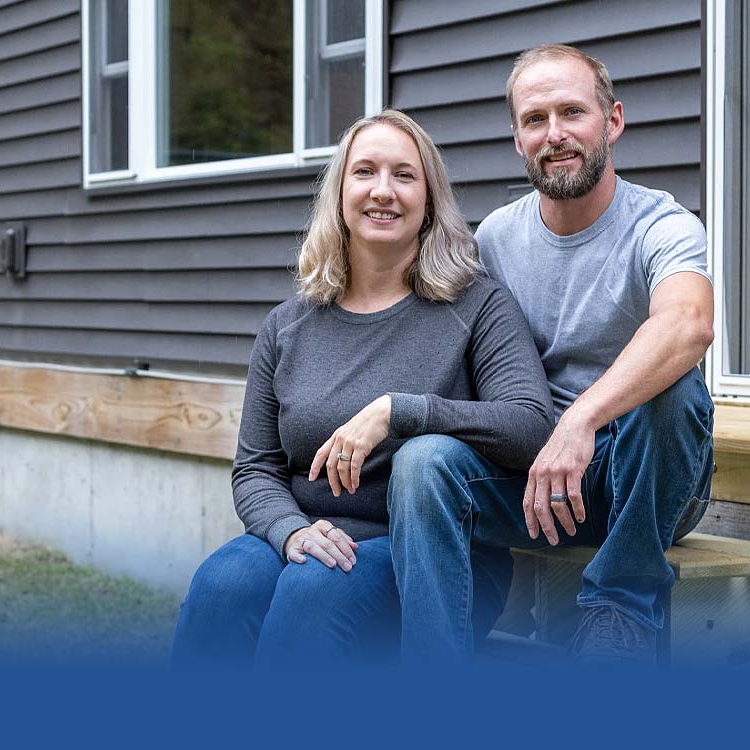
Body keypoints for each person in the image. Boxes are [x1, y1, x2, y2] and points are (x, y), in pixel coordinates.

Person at [170, 110, 554, 667]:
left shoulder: (477, 306)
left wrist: (404, 411)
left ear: (429, 199)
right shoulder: (287, 325)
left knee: (314, 593)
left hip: (433, 554)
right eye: (365, 172)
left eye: (404, 175)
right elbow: (256, 468)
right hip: (313, 533)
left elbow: (530, 426)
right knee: (219, 586)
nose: (383, 191)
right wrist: (289, 530)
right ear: (339, 194)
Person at [388, 44, 715, 666]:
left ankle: (621, 613)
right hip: (538, 480)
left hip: (645, 478)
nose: (555, 134)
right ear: (517, 138)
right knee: (423, 460)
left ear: (612, 120)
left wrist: (581, 419)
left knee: (672, 388)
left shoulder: (665, 225)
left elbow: (688, 324)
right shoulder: (497, 239)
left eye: (573, 113)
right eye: (535, 119)